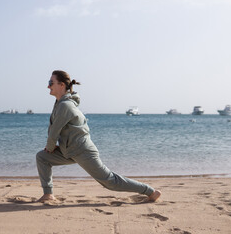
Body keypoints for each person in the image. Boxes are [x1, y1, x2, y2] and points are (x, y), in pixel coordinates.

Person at [36, 70, 161, 202]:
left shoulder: (65, 105)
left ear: (61, 85)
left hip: (82, 151)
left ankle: (150, 191)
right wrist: (52, 148)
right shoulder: (60, 104)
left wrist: (50, 147)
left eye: (51, 83)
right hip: (68, 150)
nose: (48, 86)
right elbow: (55, 130)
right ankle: (48, 194)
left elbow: (54, 131)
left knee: (110, 182)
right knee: (42, 157)